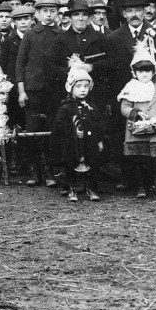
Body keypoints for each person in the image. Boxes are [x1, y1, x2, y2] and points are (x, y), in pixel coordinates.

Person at [105, 0, 156, 190]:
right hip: (127, 97)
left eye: (138, 10)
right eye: (129, 10)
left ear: (145, 11)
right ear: (123, 14)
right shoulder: (114, 37)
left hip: (151, 97)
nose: (134, 14)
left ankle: (154, 181)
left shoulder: (154, 34)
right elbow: (110, 71)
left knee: (153, 136)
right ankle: (130, 179)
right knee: (127, 137)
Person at [118, 41, 156, 199]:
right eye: (140, 71)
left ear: (153, 71)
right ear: (134, 72)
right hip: (138, 128)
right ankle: (141, 186)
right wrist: (135, 113)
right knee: (141, 159)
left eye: (147, 71)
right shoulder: (130, 88)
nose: (144, 74)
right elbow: (124, 107)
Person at [16, 0, 64, 187]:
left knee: (51, 129)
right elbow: (20, 64)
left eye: (52, 11)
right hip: (33, 89)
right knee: (33, 130)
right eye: (45, 11)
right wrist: (21, 91)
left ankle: (50, 171)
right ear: (37, 13)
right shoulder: (30, 34)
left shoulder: (61, 34)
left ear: (57, 13)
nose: (49, 15)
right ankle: (35, 171)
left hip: (54, 91)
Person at [51, 56, 105, 202]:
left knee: (92, 164)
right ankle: (71, 188)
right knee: (70, 164)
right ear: (71, 87)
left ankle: (91, 188)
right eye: (78, 86)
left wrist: (99, 140)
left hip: (89, 142)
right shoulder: (66, 107)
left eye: (85, 86)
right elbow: (59, 126)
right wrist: (70, 135)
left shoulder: (92, 106)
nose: (82, 90)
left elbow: (99, 123)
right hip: (72, 143)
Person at [0, 5, 35, 175]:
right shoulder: (9, 41)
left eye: (26, 19)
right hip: (15, 88)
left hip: (32, 85)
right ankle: (15, 159)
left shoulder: (35, 38)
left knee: (32, 123)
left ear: (32, 20)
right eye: (19, 20)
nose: (23, 22)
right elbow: (4, 65)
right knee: (16, 123)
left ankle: (31, 161)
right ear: (14, 22)